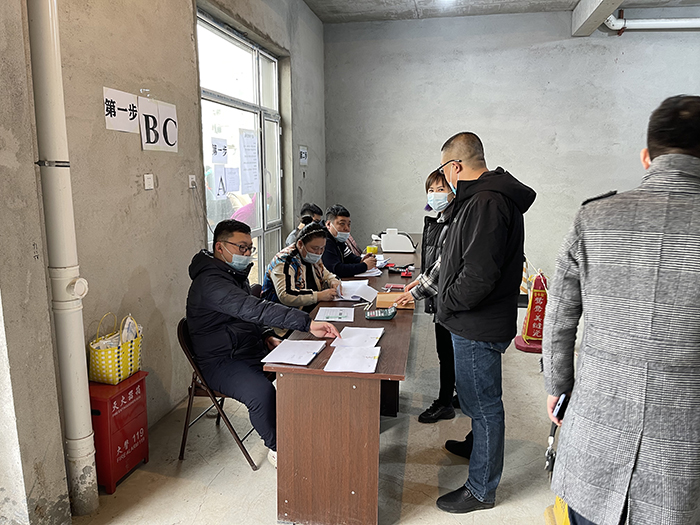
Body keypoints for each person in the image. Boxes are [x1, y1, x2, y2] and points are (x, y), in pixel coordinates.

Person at [543, 95, 700, 525]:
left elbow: (559, 318)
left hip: (596, 427)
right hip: (684, 448)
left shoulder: (594, 217)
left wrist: (557, 387)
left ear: (647, 156)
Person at [434, 132, 536, 514]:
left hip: (477, 322)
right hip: (473, 320)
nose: (445, 178)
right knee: (475, 398)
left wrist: (447, 304)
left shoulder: (487, 201)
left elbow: (479, 275)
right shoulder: (482, 197)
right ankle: (476, 445)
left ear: (456, 166)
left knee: (485, 404)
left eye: (445, 170)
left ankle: (481, 490)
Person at [186, 219, 340, 468]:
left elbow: (249, 316)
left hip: (247, 348)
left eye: (250, 248)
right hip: (221, 361)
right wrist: (306, 323)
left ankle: (300, 426)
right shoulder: (210, 283)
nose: (247, 253)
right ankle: (278, 447)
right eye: (241, 247)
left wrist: (267, 334)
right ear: (219, 247)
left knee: (306, 366)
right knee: (262, 393)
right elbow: (253, 308)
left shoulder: (232, 274)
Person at [396, 170, 457, 423]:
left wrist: (416, 292)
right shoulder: (442, 219)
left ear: (453, 191)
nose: (434, 195)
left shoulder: (455, 221)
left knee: (447, 352)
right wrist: (419, 280)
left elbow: (445, 265)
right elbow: (435, 263)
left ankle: (445, 403)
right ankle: (457, 395)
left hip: (450, 299)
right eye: (430, 190)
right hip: (443, 297)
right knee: (449, 352)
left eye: (441, 189)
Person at [262, 222, 342, 336]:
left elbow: (325, 273)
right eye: (315, 248)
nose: (319, 253)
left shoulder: (311, 256)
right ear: (300, 244)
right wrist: (319, 296)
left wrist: (333, 281)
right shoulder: (285, 261)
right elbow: (286, 295)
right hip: (284, 323)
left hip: (309, 313)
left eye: (322, 248)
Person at [322, 204, 377, 278]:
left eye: (349, 225)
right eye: (342, 224)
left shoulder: (338, 239)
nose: (347, 228)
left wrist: (361, 260)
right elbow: (336, 269)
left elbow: (348, 257)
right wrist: (364, 266)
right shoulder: (323, 241)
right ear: (328, 224)